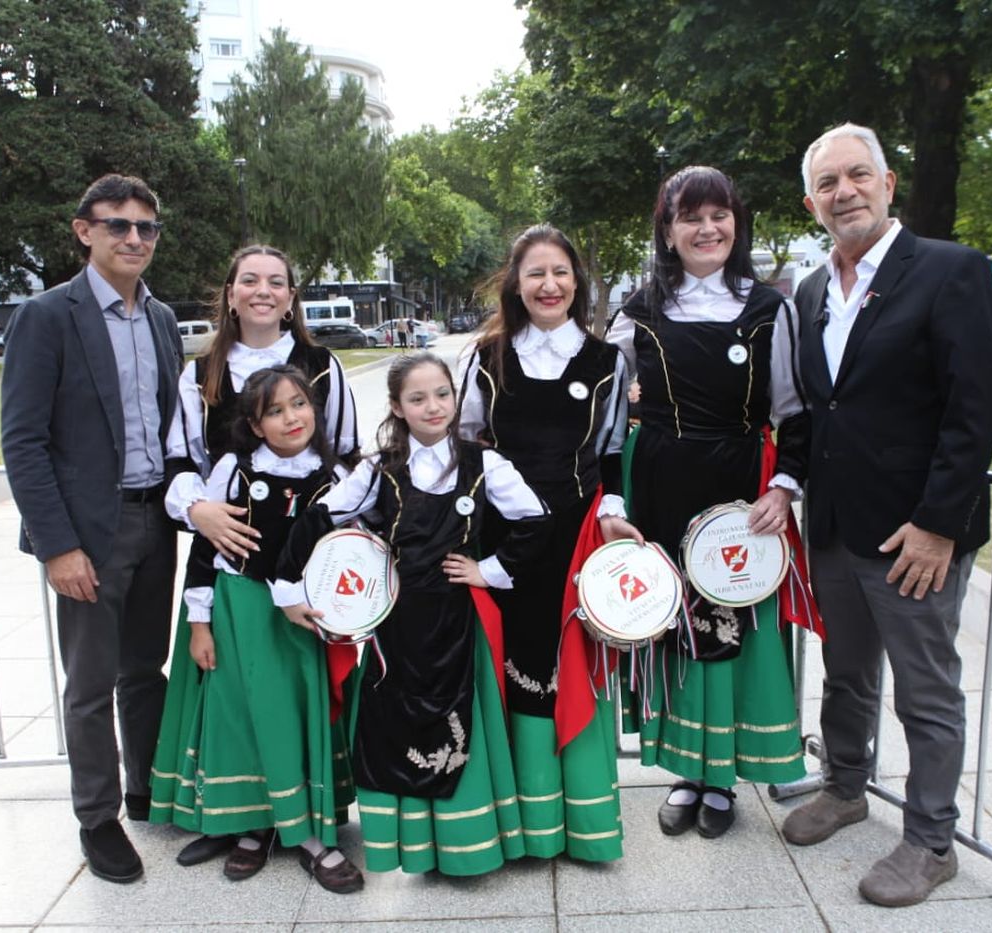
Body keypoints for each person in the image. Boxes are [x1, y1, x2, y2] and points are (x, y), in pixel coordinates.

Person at [777, 123, 992, 907]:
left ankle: (931, 839)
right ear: (812, 203)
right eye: (828, 184)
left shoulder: (949, 271)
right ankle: (845, 787)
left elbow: (972, 412)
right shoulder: (810, 292)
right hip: (837, 527)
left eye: (857, 175)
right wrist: (789, 488)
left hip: (916, 535)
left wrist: (940, 522)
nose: (845, 193)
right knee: (845, 676)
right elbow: (817, 408)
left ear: (888, 182)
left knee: (925, 688)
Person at [273, 352, 552, 877]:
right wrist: (288, 588)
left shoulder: (484, 463)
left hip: (456, 623)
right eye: (417, 398)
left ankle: (463, 840)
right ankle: (411, 846)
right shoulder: (379, 469)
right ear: (398, 407)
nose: (433, 407)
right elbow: (321, 515)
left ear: (455, 397)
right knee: (395, 722)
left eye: (442, 394)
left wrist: (488, 570)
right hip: (397, 626)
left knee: (456, 719)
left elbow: (536, 522)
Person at [607, 165, 813, 840]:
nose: (706, 228)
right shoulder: (635, 311)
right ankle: (686, 772)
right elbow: (608, 419)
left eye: (718, 214)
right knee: (675, 625)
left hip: (740, 486)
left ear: (736, 222)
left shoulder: (768, 308)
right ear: (667, 230)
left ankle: (723, 777)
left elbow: (794, 408)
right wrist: (611, 495)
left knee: (737, 625)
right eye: (690, 216)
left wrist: (785, 487)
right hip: (662, 478)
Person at [149, 245, 358, 869]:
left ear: (292, 296)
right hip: (231, 558)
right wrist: (200, 512)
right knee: (236, 699)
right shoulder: (202, 370)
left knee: (293, 697)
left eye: (276, 282)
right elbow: (183, 458)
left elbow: (345, 456)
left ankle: (299, 816)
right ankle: (244, 818)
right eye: (249, 280)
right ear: (231, 292)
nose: (263, 291)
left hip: (304, 571)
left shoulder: (321, 366)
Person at [0, 173, 183, 883]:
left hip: (153, 522)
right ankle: (98, 818)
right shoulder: (48, 317)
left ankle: (144, 789)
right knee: (90, 682)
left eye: (146, 227)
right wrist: (58, 545)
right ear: (84, 231)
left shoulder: (163, 319)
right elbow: (22, 440)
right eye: (117, 225)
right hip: (88, 536)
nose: (134, 238)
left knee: (146, 669)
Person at [458, 224, 636, 862]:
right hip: (505, 540)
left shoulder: (608, 360)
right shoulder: (485, 358)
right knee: (512, 664)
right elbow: (466, 445)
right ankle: (518, 820)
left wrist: (612, 511)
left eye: (560, 271)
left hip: (576, 538)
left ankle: (582, 822)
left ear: (577, 282)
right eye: (535, 272)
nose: (549, 284)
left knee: (567, 670)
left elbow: (611, 453)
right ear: (516, 283)